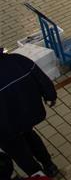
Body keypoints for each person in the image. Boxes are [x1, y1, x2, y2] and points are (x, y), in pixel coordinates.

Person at [0, 48, 58, 177]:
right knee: (30, 136)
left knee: (18, 152)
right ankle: (49, 165)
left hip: (5, 127)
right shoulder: (17, 60)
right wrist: (50, 95)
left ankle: (38, 174)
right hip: (27, 114)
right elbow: (40, 77)